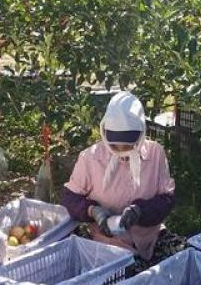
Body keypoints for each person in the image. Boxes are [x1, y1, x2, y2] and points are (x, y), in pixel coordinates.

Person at [61, 91, 180, 268]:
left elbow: (167, 199)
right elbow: (69, 199)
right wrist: (93, 211)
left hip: (149, 238)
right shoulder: (90, 158)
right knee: (127, 277)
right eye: (115, 145)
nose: (122, 150)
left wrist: (141, 211)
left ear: (141, 133)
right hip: (107, 241)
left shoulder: (155, 154)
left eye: (128, 144)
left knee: (179, 260)